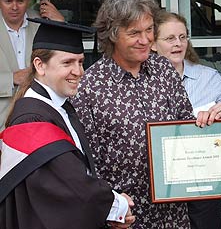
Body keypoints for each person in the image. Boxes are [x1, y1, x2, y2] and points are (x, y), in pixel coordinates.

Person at [72, 0, 214, 228]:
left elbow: (185, 127)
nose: (146, 39)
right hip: (125, 217)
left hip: (173, 215)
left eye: (149, 30)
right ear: (113, 35)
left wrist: (206, 125)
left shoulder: (164, 70)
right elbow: (86, 162)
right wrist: (108, 209)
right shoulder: (90, 86)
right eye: (135, 33)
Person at [0, 18, 135, 229]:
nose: (79, 71)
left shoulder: (59, 107)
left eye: (80, 62)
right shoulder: (30, 119)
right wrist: (116, 205)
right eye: (67, 63)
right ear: (39, 65)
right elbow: (68, 185)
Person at [151, 10, 221, 229]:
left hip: (204, 182)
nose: (178, 44)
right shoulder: (142, 80)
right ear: (153, 44)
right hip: (159, 183)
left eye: (182, 37)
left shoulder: (207, 76)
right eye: (170, 38)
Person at [0, 0, 65, 131]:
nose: (14, 7)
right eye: (7, 0)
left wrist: (60, 24)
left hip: (39, 119)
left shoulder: (42, 23)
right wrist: (11, 79)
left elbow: (65, 63)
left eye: (20, 0)